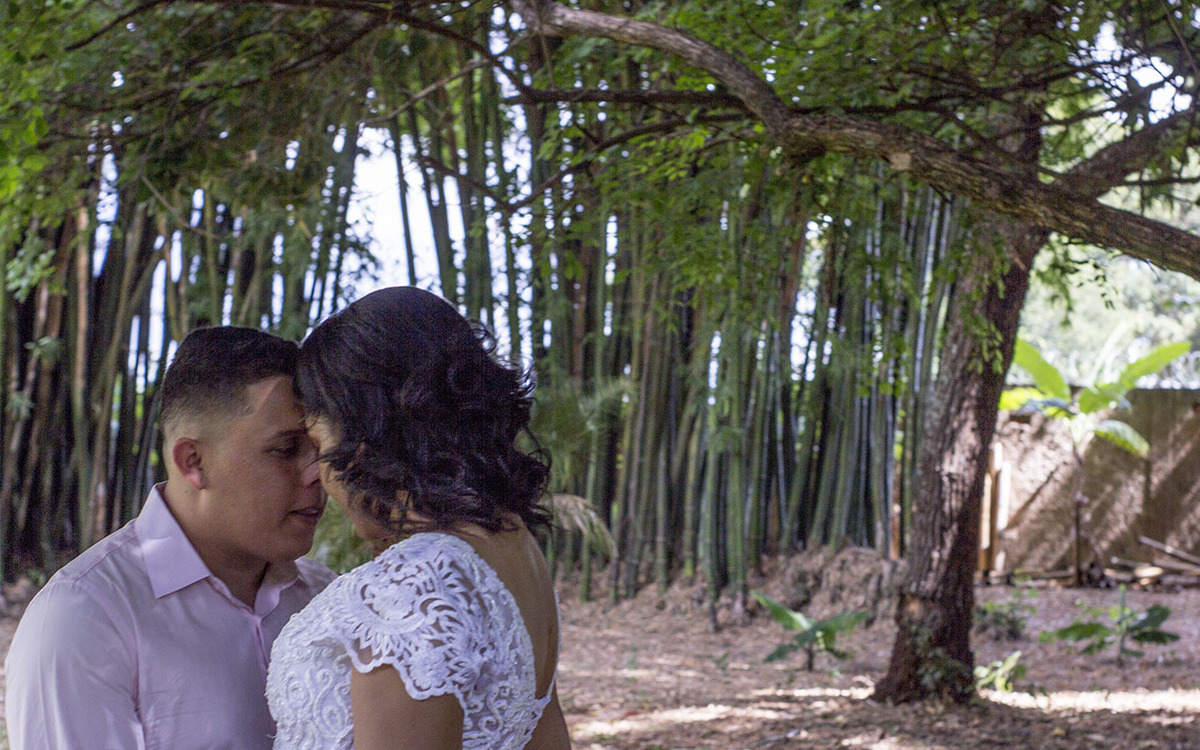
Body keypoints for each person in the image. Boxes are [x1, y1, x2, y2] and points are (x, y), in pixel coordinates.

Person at [266, 286, 571, 750]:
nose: (314, 472)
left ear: (363, 430)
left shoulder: (412, 586)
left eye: (314, 441)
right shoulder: (512, 546)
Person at [5, 326, 335, 750]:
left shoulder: (324, 599)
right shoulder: (86, 620)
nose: (318, 473)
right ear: (193, 461)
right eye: (287, 449)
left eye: (320, 448)